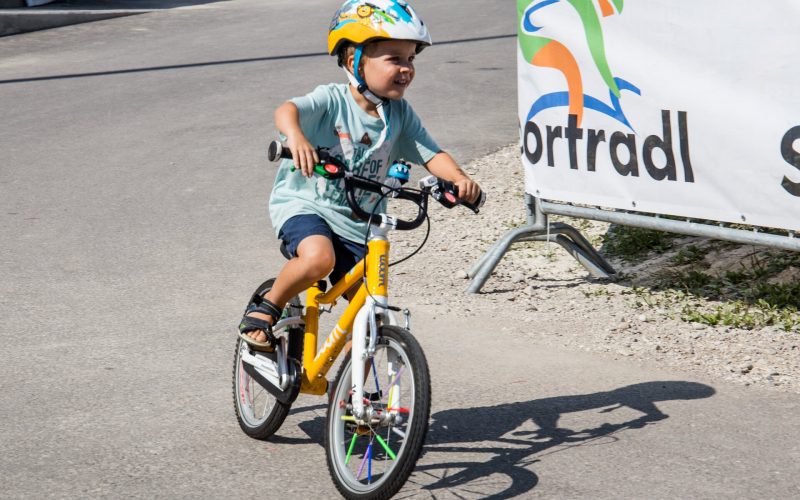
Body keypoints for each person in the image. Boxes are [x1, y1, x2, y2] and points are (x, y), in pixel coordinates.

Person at [239, 0, 482, 350]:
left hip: (358, 225)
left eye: (411, 59)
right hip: (308, 206)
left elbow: (432, 155)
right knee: (320, 258)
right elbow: (287, 111)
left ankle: (355, 393)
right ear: (354, 59)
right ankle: (267, 308)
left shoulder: (400, 115)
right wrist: (297, 137)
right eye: (394, 58)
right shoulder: (332, 100)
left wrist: (460, 179)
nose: (406, 68)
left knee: (370, 318)